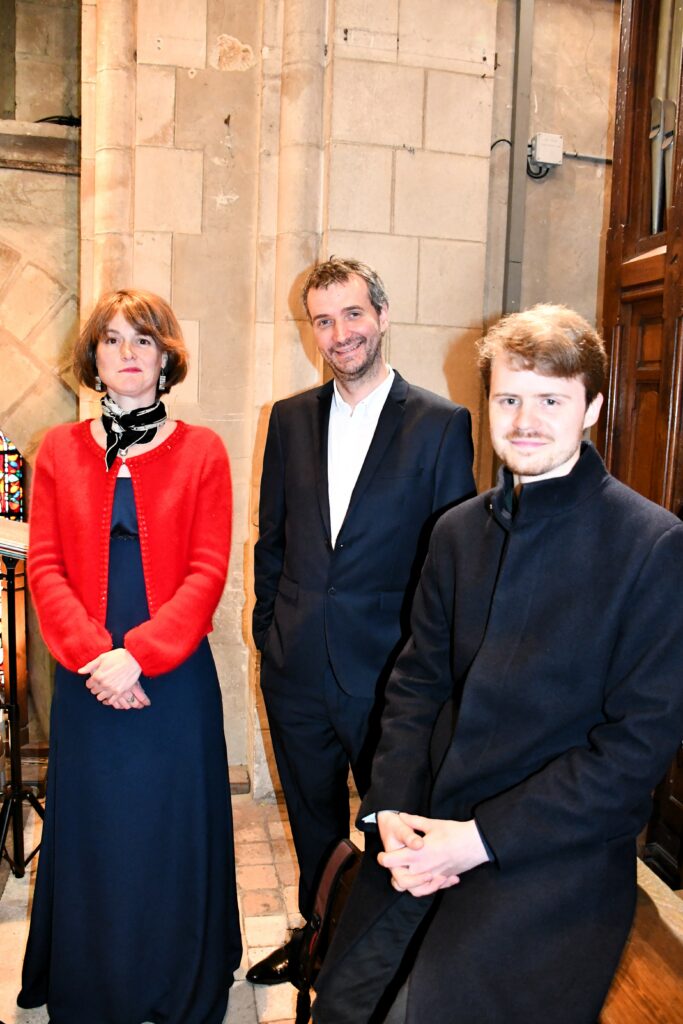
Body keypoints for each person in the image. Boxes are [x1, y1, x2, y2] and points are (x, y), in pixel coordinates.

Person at [311, 304, 683, 1024]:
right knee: (345, 1000)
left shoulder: (651, 545)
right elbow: (416, 683)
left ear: (592, 408)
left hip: (550, 857)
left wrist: (479, 841)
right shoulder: (457, 531)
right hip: (429, 824)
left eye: (551, 401)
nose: (525, 421)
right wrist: (389, 807)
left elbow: (634, 751)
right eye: (508, 399)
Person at [248, 256, 476, 985]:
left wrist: (430, 672)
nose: (340, 333)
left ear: (380, 315)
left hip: (391, 679)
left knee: (390, 828)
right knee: (312, 822)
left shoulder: (441, 424)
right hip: (296, 669)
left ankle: (377, 968)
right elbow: (272, 540)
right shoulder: (288, 420)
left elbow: (454, 565)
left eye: (352, 314)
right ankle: (318, 944)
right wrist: (269, 632)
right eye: (323, 320)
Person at [18, 289, 242, 1024]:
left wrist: (138, 655)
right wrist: (97, 657)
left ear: (166, 356)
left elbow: (207, 570)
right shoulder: (59, 449)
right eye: (112, 339)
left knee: (169, 828)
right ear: (94, 357)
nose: (127, 353)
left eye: (143, 339)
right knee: (98, 831)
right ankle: (97, 987)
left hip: (171, 678)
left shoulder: (203, 450)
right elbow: (45, 565)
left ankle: (175, 984)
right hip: (88, 675)